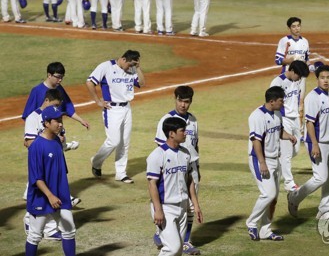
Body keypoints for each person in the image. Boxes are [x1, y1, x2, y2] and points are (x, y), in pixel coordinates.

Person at [153, 86, 201, 255]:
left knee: (189, 207)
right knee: (172, 202)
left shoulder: (193, 120)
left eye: (186, 102)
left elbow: (195, 145)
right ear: (175, 99)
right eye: (180, 101)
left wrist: (197, 169)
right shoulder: (166, 120)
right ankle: (165, 232)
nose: (183, 105)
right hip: (173, 168)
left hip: (190, 167)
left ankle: (185, 240)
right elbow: (161, 147)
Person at [287, 64, 329, 221]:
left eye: (328, 78)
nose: (325, 80)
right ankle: (294, 197)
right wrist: (314, 144)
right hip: (317, 143)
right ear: (317, 79)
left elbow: (327, 120)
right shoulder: (312, 98)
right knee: (320, 177)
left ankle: (324, 211)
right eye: (322, 78)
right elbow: (309, 123)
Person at [246, 86, 296, 241]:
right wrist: (262, 163)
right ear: (272, 101)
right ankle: (252, 223)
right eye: (281, 101)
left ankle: (265, 231)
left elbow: (279, 131)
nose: (283, 103)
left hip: (275, 159)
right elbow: (256, 142)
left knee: (273, 199)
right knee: (268, 193)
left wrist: (289, 136)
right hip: (261, 159)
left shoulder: (277, 113)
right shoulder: (257, 116)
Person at [87, 50, 145, 184]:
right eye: (129, 64)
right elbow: (90, 82)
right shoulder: (106, 66)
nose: (129, 68)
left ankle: (121, 173)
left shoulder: (132, 69)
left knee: (124, 142)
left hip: (126, 108)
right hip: (112, 109)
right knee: (113, 141)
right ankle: (96, 161)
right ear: (123, 59)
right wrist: (98, 101)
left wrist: (138, 67)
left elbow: (141, 83)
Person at [25, 105, 77, 256]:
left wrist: (61, 193)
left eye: (61, 120)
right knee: (35, 235)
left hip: (60, 195)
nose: (60, 124)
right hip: (42, 197)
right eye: (56, 121)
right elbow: (36, 178)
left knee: (69, 231)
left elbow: (60, 171)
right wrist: (50, 195)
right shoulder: (36, 147)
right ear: (46, 123)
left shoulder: (56, 142)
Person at [269, 60, 309, 192]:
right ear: (291, 71)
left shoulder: (296, 80)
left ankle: (274, 161)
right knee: (286, 154)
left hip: (295, 118)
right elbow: (272, 104)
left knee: (295, 150)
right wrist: (277, 122)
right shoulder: (278, 82)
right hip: (283, 119)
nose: (299, 79)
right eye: (298, 75)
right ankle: (289, 182)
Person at [22, 62, 89, 130]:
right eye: (58, 77)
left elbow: (67, 108)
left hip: (57, 131)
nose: (60, 80)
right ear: (49, 75)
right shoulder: (37, 91)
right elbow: (28, 116)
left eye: (62, 77)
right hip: (42, 132)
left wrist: (81, 120)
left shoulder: (59, 89)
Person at [274, 17, 311, 124]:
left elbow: (307, 60)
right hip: (288, 76)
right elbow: (278, 60)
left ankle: (299, 129)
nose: (296, 29)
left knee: (300, 103)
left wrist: (311, 67)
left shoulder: (305, 41)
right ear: (289, 28)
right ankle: (282, 125)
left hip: (301, 78)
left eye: (298, 26)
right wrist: (288, 61)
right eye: (293, 26)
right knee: (285, 102)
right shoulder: (285, 41)